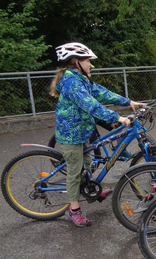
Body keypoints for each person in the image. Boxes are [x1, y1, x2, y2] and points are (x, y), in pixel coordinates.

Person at [50, 42, 143, 228]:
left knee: (88, 164)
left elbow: (102, 93)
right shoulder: (71, 82)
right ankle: (74, 210)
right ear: (77, 62)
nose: (90, 64)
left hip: (82, 132)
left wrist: (128, 101)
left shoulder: (81, 79)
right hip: (70, 135)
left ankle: (89, 189)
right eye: (88, 61)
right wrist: (118, 117)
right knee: (75, 173)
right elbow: (91, 105)